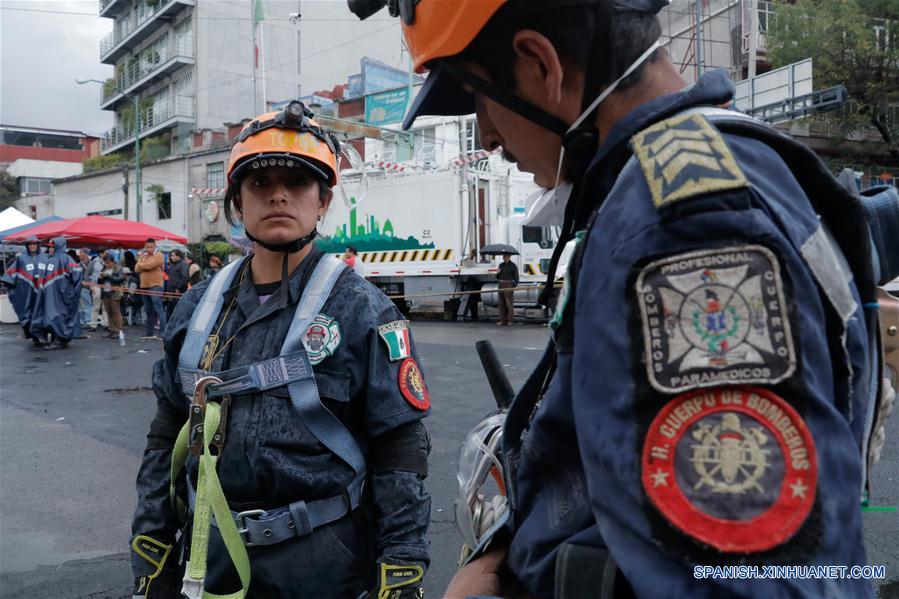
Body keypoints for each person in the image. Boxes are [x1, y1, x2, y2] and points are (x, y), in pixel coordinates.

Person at [380, 0, 886, 597]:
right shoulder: (703, 171)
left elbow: (749, 577)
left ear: (541, 65)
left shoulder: (682, 223)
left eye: (476, 98)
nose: (487, 134)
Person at [130, 101, 431, 598]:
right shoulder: (198, 308)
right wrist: (151, 539)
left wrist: (401, 567)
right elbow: (166, 435)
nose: (279, 196)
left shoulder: (363, 311)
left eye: (297, 183)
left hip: (325, 563)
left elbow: (400, 451)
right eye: (260, 184)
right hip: (209, 558)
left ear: (323, 201)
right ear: (237, 202)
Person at [30, 237, 83, 349]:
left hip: (62, 296)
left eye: (52, 247)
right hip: (51, 296)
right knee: (53, 317)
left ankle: (59, 340)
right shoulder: (51, 259)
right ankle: (59, 339)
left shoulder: (66, 259)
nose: (50, 249)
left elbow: (77, 277)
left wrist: (72, 293)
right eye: (49, 247)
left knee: (57, 317)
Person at [1, 236, 43, 346]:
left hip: (42, 292)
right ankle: (34, 337)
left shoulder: (45, 258)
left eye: (34, 244)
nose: (32, 246)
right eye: (30, 244)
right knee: (28, 314)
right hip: (26, 293)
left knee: (42, 313)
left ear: (38, 245)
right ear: (27, 246)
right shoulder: (21, 259)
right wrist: (9, 284)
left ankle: (45, 335)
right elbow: (10, 273)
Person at [135, 238, 167, 339]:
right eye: (147, 247)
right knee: (148, 310)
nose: (149, 249)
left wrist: (141, 265)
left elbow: (149, 266)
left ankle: (163, 333)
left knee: (159, 309)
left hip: (156, 285)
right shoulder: (143, 256)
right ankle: (149, 333)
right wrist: (143, 265)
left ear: (155, 246)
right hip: (144, 286)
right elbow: (136, 269)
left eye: (151, 247)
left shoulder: (159, 255)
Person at [98, 254, 125, 340]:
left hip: (115, 292)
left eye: (108, 262)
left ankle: (118, 331)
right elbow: (99, 281)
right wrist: (100, 278)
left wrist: (108, 276)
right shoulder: (104, 268)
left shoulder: (118, 268)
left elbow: (120, 279)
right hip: (106, 292)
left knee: (116, 312)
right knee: (109, 312)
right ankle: (111, 330)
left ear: (113, 262)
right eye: (105, 262)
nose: (107, 264)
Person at [164, 249, 189, 319]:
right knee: (170, 310)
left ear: (178, 256)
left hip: (177, 291)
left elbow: (184, 277)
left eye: (173, 255)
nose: (171, 257)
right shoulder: (172, 264)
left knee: (177, 311)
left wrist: (178, 288)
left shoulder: (182, 264)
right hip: (171, 291)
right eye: (171, 255)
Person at [495, 253, 518, 325]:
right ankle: (503, 320)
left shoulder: (513, 266)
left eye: (505, 256)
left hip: (508, 284)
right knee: (501, 302)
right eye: (503, 256)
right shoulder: (501, 265)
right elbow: (497, 277)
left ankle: (509, 320)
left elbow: (516, 277)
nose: (503, 257)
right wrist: (498, 273)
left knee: (508, 302)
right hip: (501, 283)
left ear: (509, 256)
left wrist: (513, 285)